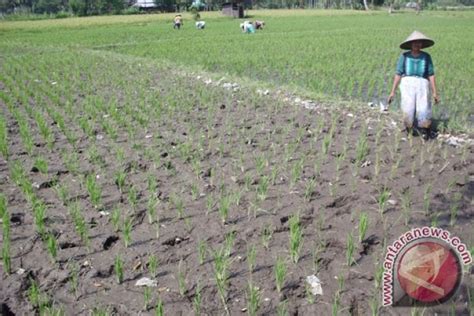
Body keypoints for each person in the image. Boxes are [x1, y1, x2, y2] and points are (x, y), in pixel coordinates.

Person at [388, 31, 439, 140]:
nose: (417, 45)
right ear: (410, 44)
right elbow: (398, 73)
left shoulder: (426, 56)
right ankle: (409, 129)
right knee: (408, 107)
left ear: (422, 44)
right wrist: (392, 91)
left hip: (422, 84)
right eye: (414, 43)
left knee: (424, 107)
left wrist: (435, 92)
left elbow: (431, 74)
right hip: (407, 84)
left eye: (419, 43)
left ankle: (424, 130)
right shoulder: (404, 56)